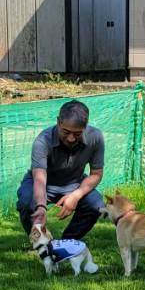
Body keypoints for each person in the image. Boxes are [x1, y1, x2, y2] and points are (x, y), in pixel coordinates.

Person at [17, 100, 105, 242]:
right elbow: (39, 177)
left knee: (96, 205)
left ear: (85, 126)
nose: (71, 138)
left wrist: (75, 196)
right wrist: (40, 207)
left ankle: (66, 243)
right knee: (27, 203)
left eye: (77, 134)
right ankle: (40, 243)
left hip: (75, 183)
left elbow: (96, 174)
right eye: (66, 132)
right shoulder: (43, 140)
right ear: (58, 122)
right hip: (43, 183)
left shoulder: (96, 137)